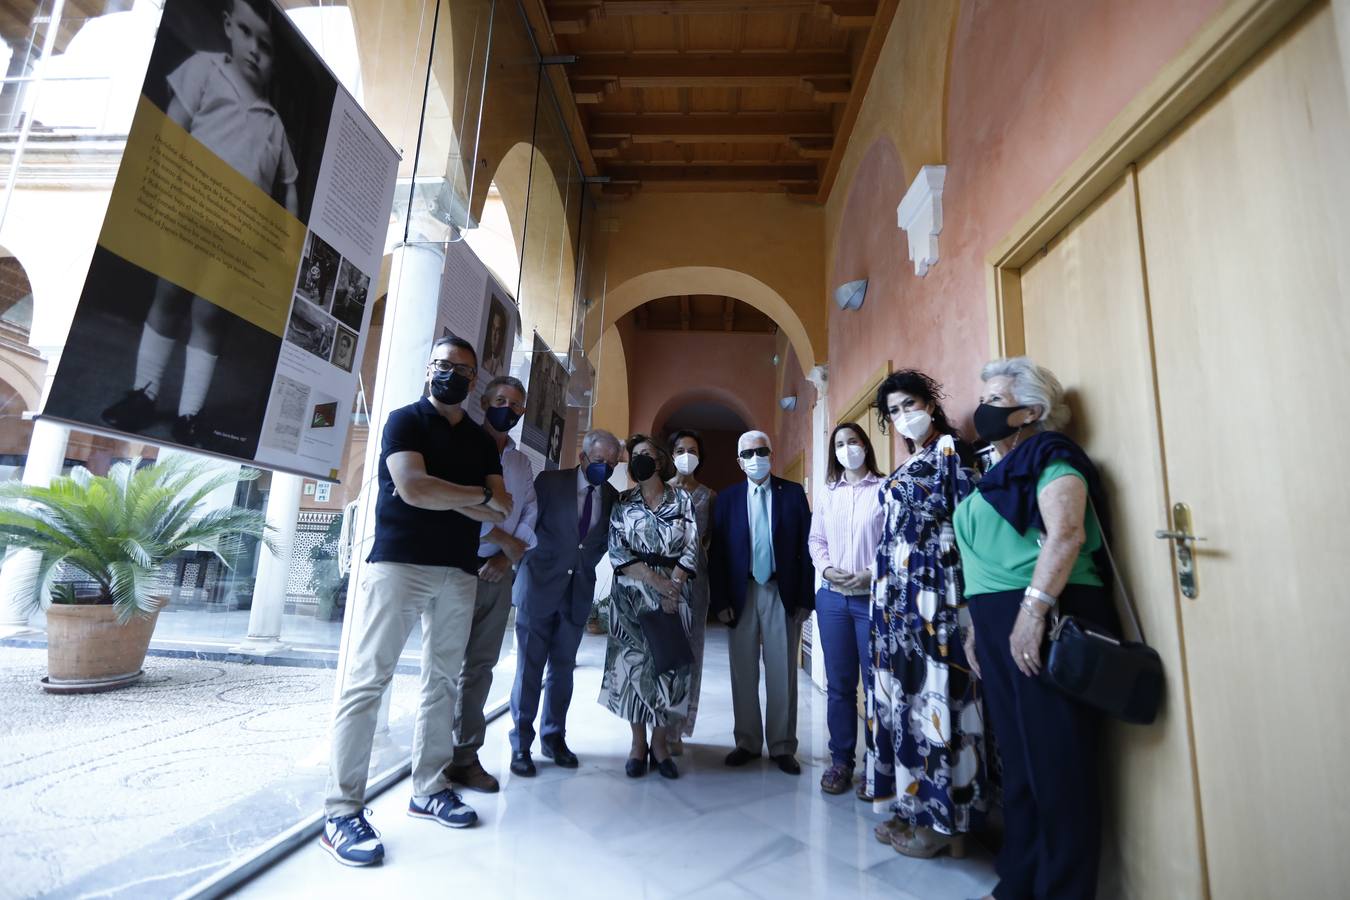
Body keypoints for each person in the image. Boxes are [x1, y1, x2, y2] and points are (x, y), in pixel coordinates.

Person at [320, 336, 512, 868]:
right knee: (367, 681)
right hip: (399, 564)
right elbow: (411, 488)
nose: (452, 374)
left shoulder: (479, 440)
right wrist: (472, 495)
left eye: (463, 370)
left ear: (474, 382)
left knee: (442, 683)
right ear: (430, 369)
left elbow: (502, 508)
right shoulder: (404, 421)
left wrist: (457, 494)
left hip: (457, 571)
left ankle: (428, 788)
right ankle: (341, 812)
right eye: (444, 365)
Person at [100, 0, 300, 447]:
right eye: (246, 33)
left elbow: (288, 187)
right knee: (168, 294)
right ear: (229, 27)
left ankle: (189, 413)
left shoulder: (274, 125)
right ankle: (144, 393)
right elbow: (175, 127)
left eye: (265, 45)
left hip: (238, 235)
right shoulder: (206, 70)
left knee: (209, 314)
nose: (254, 49)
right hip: (191, 211)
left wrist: (289, 241)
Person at [955, 357, 1119, 900]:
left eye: (996, 401)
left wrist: (1032, 613)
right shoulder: (997, 468)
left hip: (1046, 616)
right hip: (998, 623)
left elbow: (1066, 534)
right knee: (1020, 763)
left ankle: (1063, 889)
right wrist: (978, 629)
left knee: (1058, 766)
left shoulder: (1052, 457)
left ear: (1032, 411)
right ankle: (1020, 880)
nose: (984, 410)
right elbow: (982, 558)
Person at [866, 370, 990, 859]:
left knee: (938, 704)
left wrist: (971, 609)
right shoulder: (913, 460)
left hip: (937, 601)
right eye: (893, 410)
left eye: (909, 404)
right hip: (897, 608)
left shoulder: (952, 455)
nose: (903, 416)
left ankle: (946, 824)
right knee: (905, 707)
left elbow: (969, 531)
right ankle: (912, 805)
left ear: (930, 403)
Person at [508, 429, 622, 776]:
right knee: (528, 670)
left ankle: (554, 737)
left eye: (612, 463)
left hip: (576, 594)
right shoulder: (549, 483)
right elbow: (526, 525)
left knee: (562, 670)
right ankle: (521, 745)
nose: (605, 467)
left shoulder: (613, 497)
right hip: (538, 587)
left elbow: (597, 544)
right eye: (600, 461)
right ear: (584, 458)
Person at [444, 377, 537, 793]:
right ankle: (434, 757)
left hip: (501, 573)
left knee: (481, 666)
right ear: (484, 402)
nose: (508, 409)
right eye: (501, 401)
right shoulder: (460, 443)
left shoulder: (520, 463)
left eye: (515, 406)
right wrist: (497, 537)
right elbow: (457, 504)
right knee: (444, 666)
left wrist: (506, 554)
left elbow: (529, 512)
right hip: (459, 567)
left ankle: (465, 755)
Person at [709, 430, 814, 775]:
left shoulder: (793, 495)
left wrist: (804, 598)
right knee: (743, 670)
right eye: (749, 454)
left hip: (780, 592)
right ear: (739, 461)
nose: (756, 458)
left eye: (762, 451)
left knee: (783, 670)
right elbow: (718, 556)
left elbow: (807, 549)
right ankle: (747, 742)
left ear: (772, 453)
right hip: (741, 592)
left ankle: (783, 745)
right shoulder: (725, 500)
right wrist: (720, 600)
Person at [599, 436, 700, 779]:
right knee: (632, 671)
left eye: (646, 455)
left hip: (675, 594)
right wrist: (658, 584)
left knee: (668, 670)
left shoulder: (682, 498)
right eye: (635, 455)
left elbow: (692, 546)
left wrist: (675, 586)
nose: (639, 460)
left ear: (659, 461)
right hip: (631, 597)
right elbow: (618, 551)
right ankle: (637, 744)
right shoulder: (623, 503)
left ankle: (660, 744)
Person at [807, 422, 884, 796]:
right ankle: (841, 762)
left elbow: (892, 541)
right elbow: (816, 539)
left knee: (875, 684)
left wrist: (872, 573)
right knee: (839, 684)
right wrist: (827, 568)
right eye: (839, 443)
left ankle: (876, 765)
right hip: (833, 598)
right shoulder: (828, 493)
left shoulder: (885, 490)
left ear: (865, 446)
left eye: (853, 441)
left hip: (872, 599)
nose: (846, 448)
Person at [666, 429, 716, 754]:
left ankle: (677, 729)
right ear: (671, 455)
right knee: (661, 655)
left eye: (693, 449)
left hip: (695, 586)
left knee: (690, 657)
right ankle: (657, 726)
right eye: (681, 449)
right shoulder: (657, 492)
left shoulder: (709, 496)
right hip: (661, 584)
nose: (687, 454)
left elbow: (710, 540)